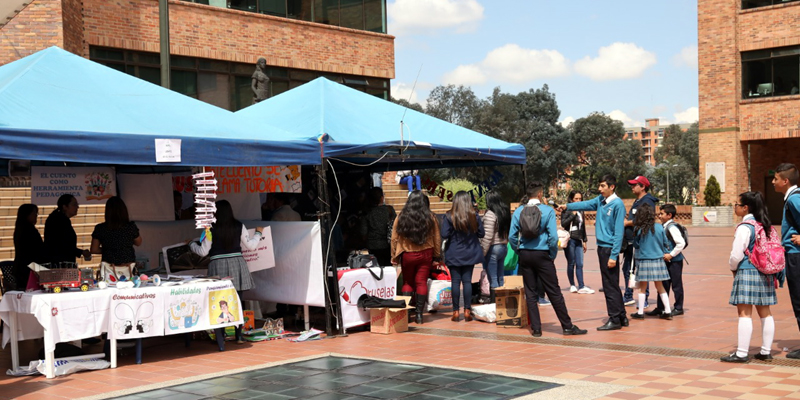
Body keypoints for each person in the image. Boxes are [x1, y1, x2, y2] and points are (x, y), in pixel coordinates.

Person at [510, 183, 588, 337]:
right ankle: (567, 326)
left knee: (530, 293)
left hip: (525, 254)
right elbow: (553, 237)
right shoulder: (547, 211)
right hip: (542, 254)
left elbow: (512, 236)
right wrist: (551, 254)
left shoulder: (519, 211)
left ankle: (537, 329)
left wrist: (518, 250)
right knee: (554, 291)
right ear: (540, 194)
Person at [190, 200, 263, 346]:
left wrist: (191, 244)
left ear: (214, 212)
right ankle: (239, 336)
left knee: (219, 301)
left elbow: (203, 251)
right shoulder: (239, 226)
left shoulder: (209, 229)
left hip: (218, 265)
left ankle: (221, 337)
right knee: (238, 301)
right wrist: (258, 233)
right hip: (237, 264)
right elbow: (251, 246)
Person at [560, 175, 627, 331]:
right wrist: (566, 206)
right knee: (612, 283)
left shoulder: (617, 204)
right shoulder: (601, 201)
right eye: (599, 186)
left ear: (612, 187)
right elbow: (585, 204)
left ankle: (614, 318)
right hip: (602, 247)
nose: (599, 189)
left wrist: (613, 256)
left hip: (609, 249)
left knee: (609, 285)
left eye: (603, 186)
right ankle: (622, 316)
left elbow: (619, 232)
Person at [721, 191, 776, 363]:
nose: (735, 208)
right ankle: (766, 351)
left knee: (744, 312)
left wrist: (733, 268)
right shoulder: (765, 225)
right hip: (765, 272)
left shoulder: (745, 227)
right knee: (765, 312)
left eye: (737, 205)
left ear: (745, 208)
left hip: (747, 270)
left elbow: (736, 255)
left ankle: (742, 353)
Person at [391, 190, 441, 324]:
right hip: (426, 253)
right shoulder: (431, 217)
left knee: (407, 282)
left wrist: (394, 255)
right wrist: (437, 255)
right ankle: (419, 315)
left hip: (408, 254)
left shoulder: (401, 216)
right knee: (421, 282)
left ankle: (407, 314)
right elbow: (437, 237)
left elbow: (394, 238)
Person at [441, 191, 484, 322]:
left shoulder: (449, 216)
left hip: (454, 253)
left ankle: (455, 312)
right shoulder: (474, 216)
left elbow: (444, 234)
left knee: (455, 281)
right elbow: (481, 233)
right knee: (467, 281)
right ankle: (467, 311)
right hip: (470, 253)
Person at [772, 163, 800, 359]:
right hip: (794, 254)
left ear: (785, 180)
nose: (773, 182)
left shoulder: (794, 199)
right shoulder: (791, 198)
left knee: (798, 300)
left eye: (775, 179)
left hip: (796, 256)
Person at [629, 204, 673, 320]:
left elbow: (636, 244)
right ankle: (668, 311)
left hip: (643, 260)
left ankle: (640, 312)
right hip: (658, 259)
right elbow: (665, 243)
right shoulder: (659, 227)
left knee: (642, 287)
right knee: (660, 286)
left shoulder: (639, 229)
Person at [622, 176, 659, 307]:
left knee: (639, 270)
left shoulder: (647, 201)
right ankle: (628, 295)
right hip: (631, 240)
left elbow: (645, 219)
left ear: (642, 186)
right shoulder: (638, 200)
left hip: (639, 240)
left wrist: (627, 223)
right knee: (628, 268)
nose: (632, 187)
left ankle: (644, 299)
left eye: (635, 185)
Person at [649, 204, 687, 316]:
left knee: (676, 285)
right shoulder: (664, 226)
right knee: (663, 284)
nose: (659, 216)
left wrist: (671, 255)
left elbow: (681, 243)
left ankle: (678, 307)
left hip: (674, 261)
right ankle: (661, 307)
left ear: (669, 215)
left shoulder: (672, 227)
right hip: (666, 261)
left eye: (662, 213)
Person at [90, 196, 142, 265]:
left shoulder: (100, 228)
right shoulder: (130, 227)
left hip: (109, 266)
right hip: (127, 265)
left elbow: (94, 249)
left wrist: (108, 250)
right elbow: (138, 242)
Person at [44, 194, 91, 266]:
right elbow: (61, 245)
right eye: (74, 204)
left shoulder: (60, 218)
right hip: (59, 264)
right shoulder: (58, 220)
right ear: (65, 206)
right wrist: (81, 252)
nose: (77, 207)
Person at [480, 191, 510, 303]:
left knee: (493, 278)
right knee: (500, 276)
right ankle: (503, 301)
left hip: (493, 248)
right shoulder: (504, 212)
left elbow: (488, 236)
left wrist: (482, 252)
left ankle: (495, 304)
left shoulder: (490, 214)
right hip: (503, 247)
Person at [561, 191, 592, 294]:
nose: (578, 201)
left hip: (578, 239)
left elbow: (582, 227)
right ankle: (572, 285)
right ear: (571, 199)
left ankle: (581, 286)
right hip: (570, 240)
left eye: (580, 199)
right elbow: (563, 223)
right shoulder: (567, 210)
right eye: (576, 199)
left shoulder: (581, 210)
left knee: (580, 263)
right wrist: (572, 215)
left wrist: (585, 241)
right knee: (571, 262)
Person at [361, 187, 397, 267]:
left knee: (376, 269)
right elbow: (396, 226)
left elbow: (363, 232)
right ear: (381, 198)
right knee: (388, 268)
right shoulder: (389, 210)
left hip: (373, 246)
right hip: (388, 245)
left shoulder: (367, 213)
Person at [12, 204, 44, 289]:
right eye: (34, 213)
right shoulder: (29, 230)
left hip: (22, 268)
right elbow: (36, 250)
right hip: (28, 269)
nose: (36, 216)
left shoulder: (20, 229)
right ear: (27, 214)